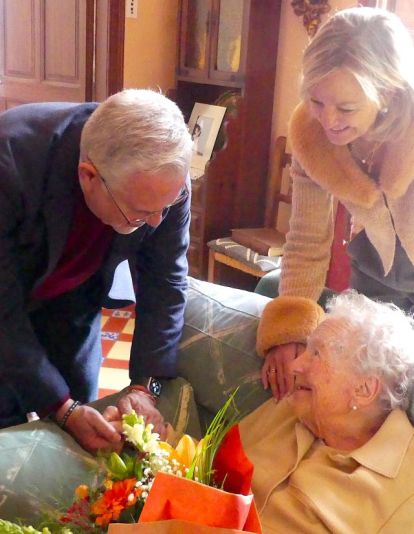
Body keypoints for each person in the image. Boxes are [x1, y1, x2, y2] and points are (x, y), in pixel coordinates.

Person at [0, 89, 193, 452]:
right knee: (8, 446)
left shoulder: (162, 180)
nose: (157, 222)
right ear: (88, 176)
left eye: (165, 208)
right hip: (9, 301)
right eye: (141, 213)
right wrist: (61, 407)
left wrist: (145, 387)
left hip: (73, 302)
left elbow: (165, 281)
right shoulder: (10, 162)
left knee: (80, 438)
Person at [256, 7, 414, 401]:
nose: (328, 121)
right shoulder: (310, 133)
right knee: (366, 395)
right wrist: (289, 332)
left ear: (388, 94)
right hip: (375, 274)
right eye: (316, 101)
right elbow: (306, 239)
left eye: (346, 108)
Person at [243, 291, 414, 531]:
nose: (295, 365)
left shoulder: (403, 496)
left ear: (364, 389)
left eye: (316, 353)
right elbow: (207, 465)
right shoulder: (294, 405)